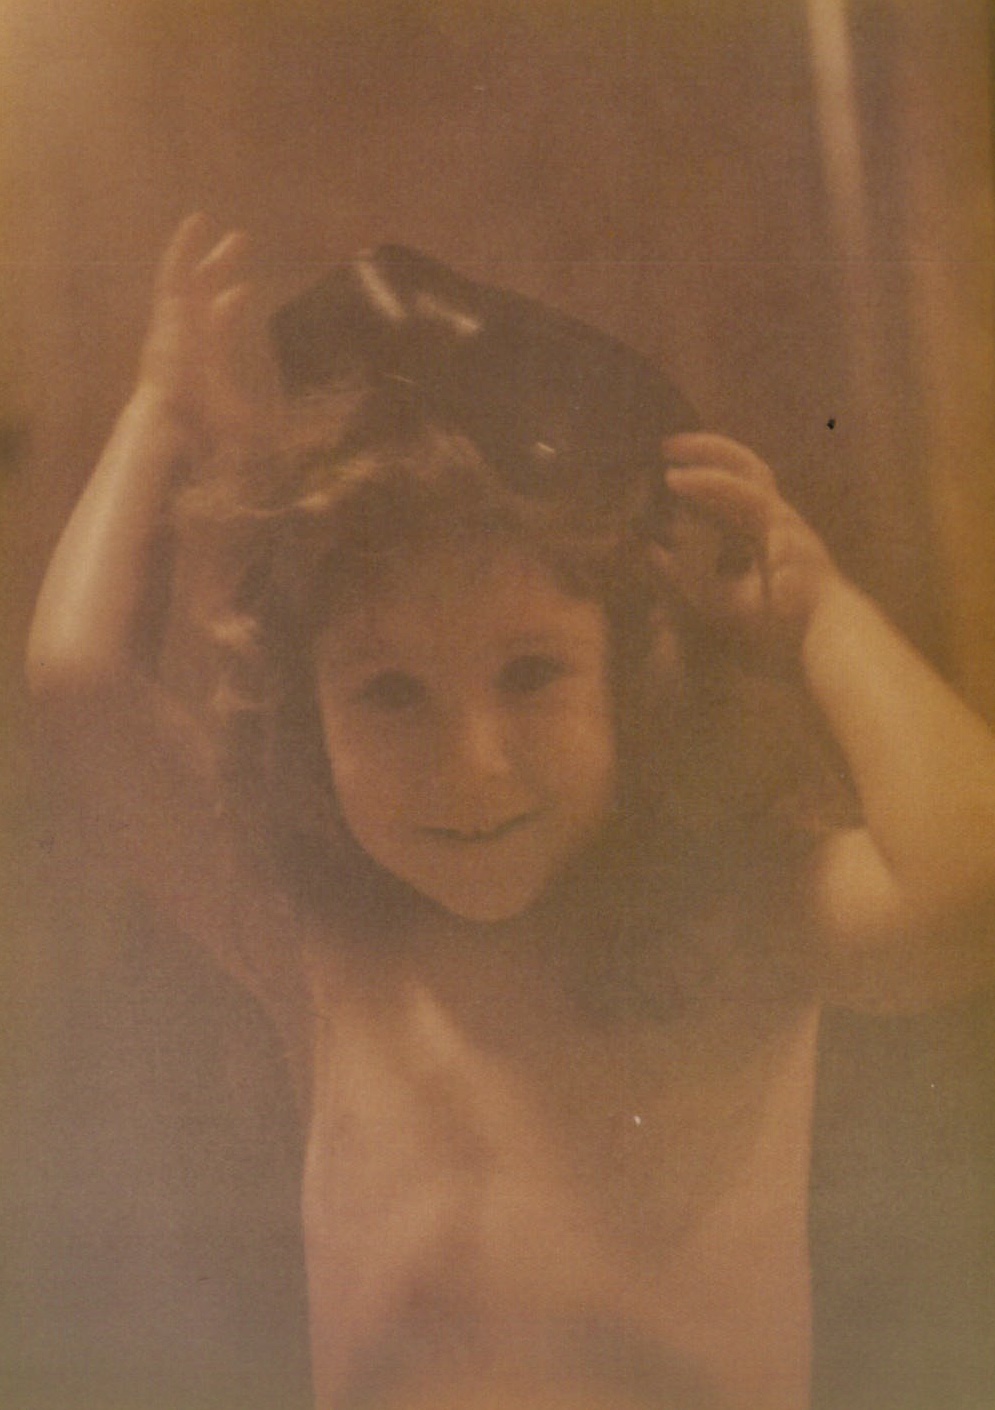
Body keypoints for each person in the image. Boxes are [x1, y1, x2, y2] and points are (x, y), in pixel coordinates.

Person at [26, 214, 995, 1410]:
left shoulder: (732, 920)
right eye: (390, 692)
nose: (470, 764)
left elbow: (969, 888)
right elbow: (79, 679)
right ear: (307, 723)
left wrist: (818, 615)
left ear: (631, 683)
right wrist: (162, 410)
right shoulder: (320, 953)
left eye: (531, 674)